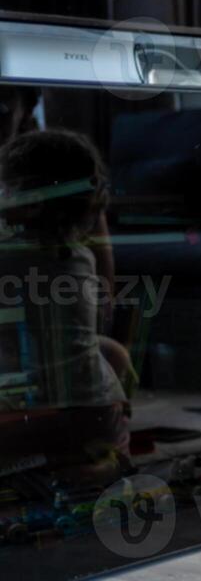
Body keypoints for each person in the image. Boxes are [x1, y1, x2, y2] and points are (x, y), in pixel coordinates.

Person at [0, 129, 134, 487]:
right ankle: (108, 457)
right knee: (113, 353)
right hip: (93, 418)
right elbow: (99, 318)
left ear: (29, 201)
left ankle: (41, 465)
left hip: (24, 420)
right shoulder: (81, 259)